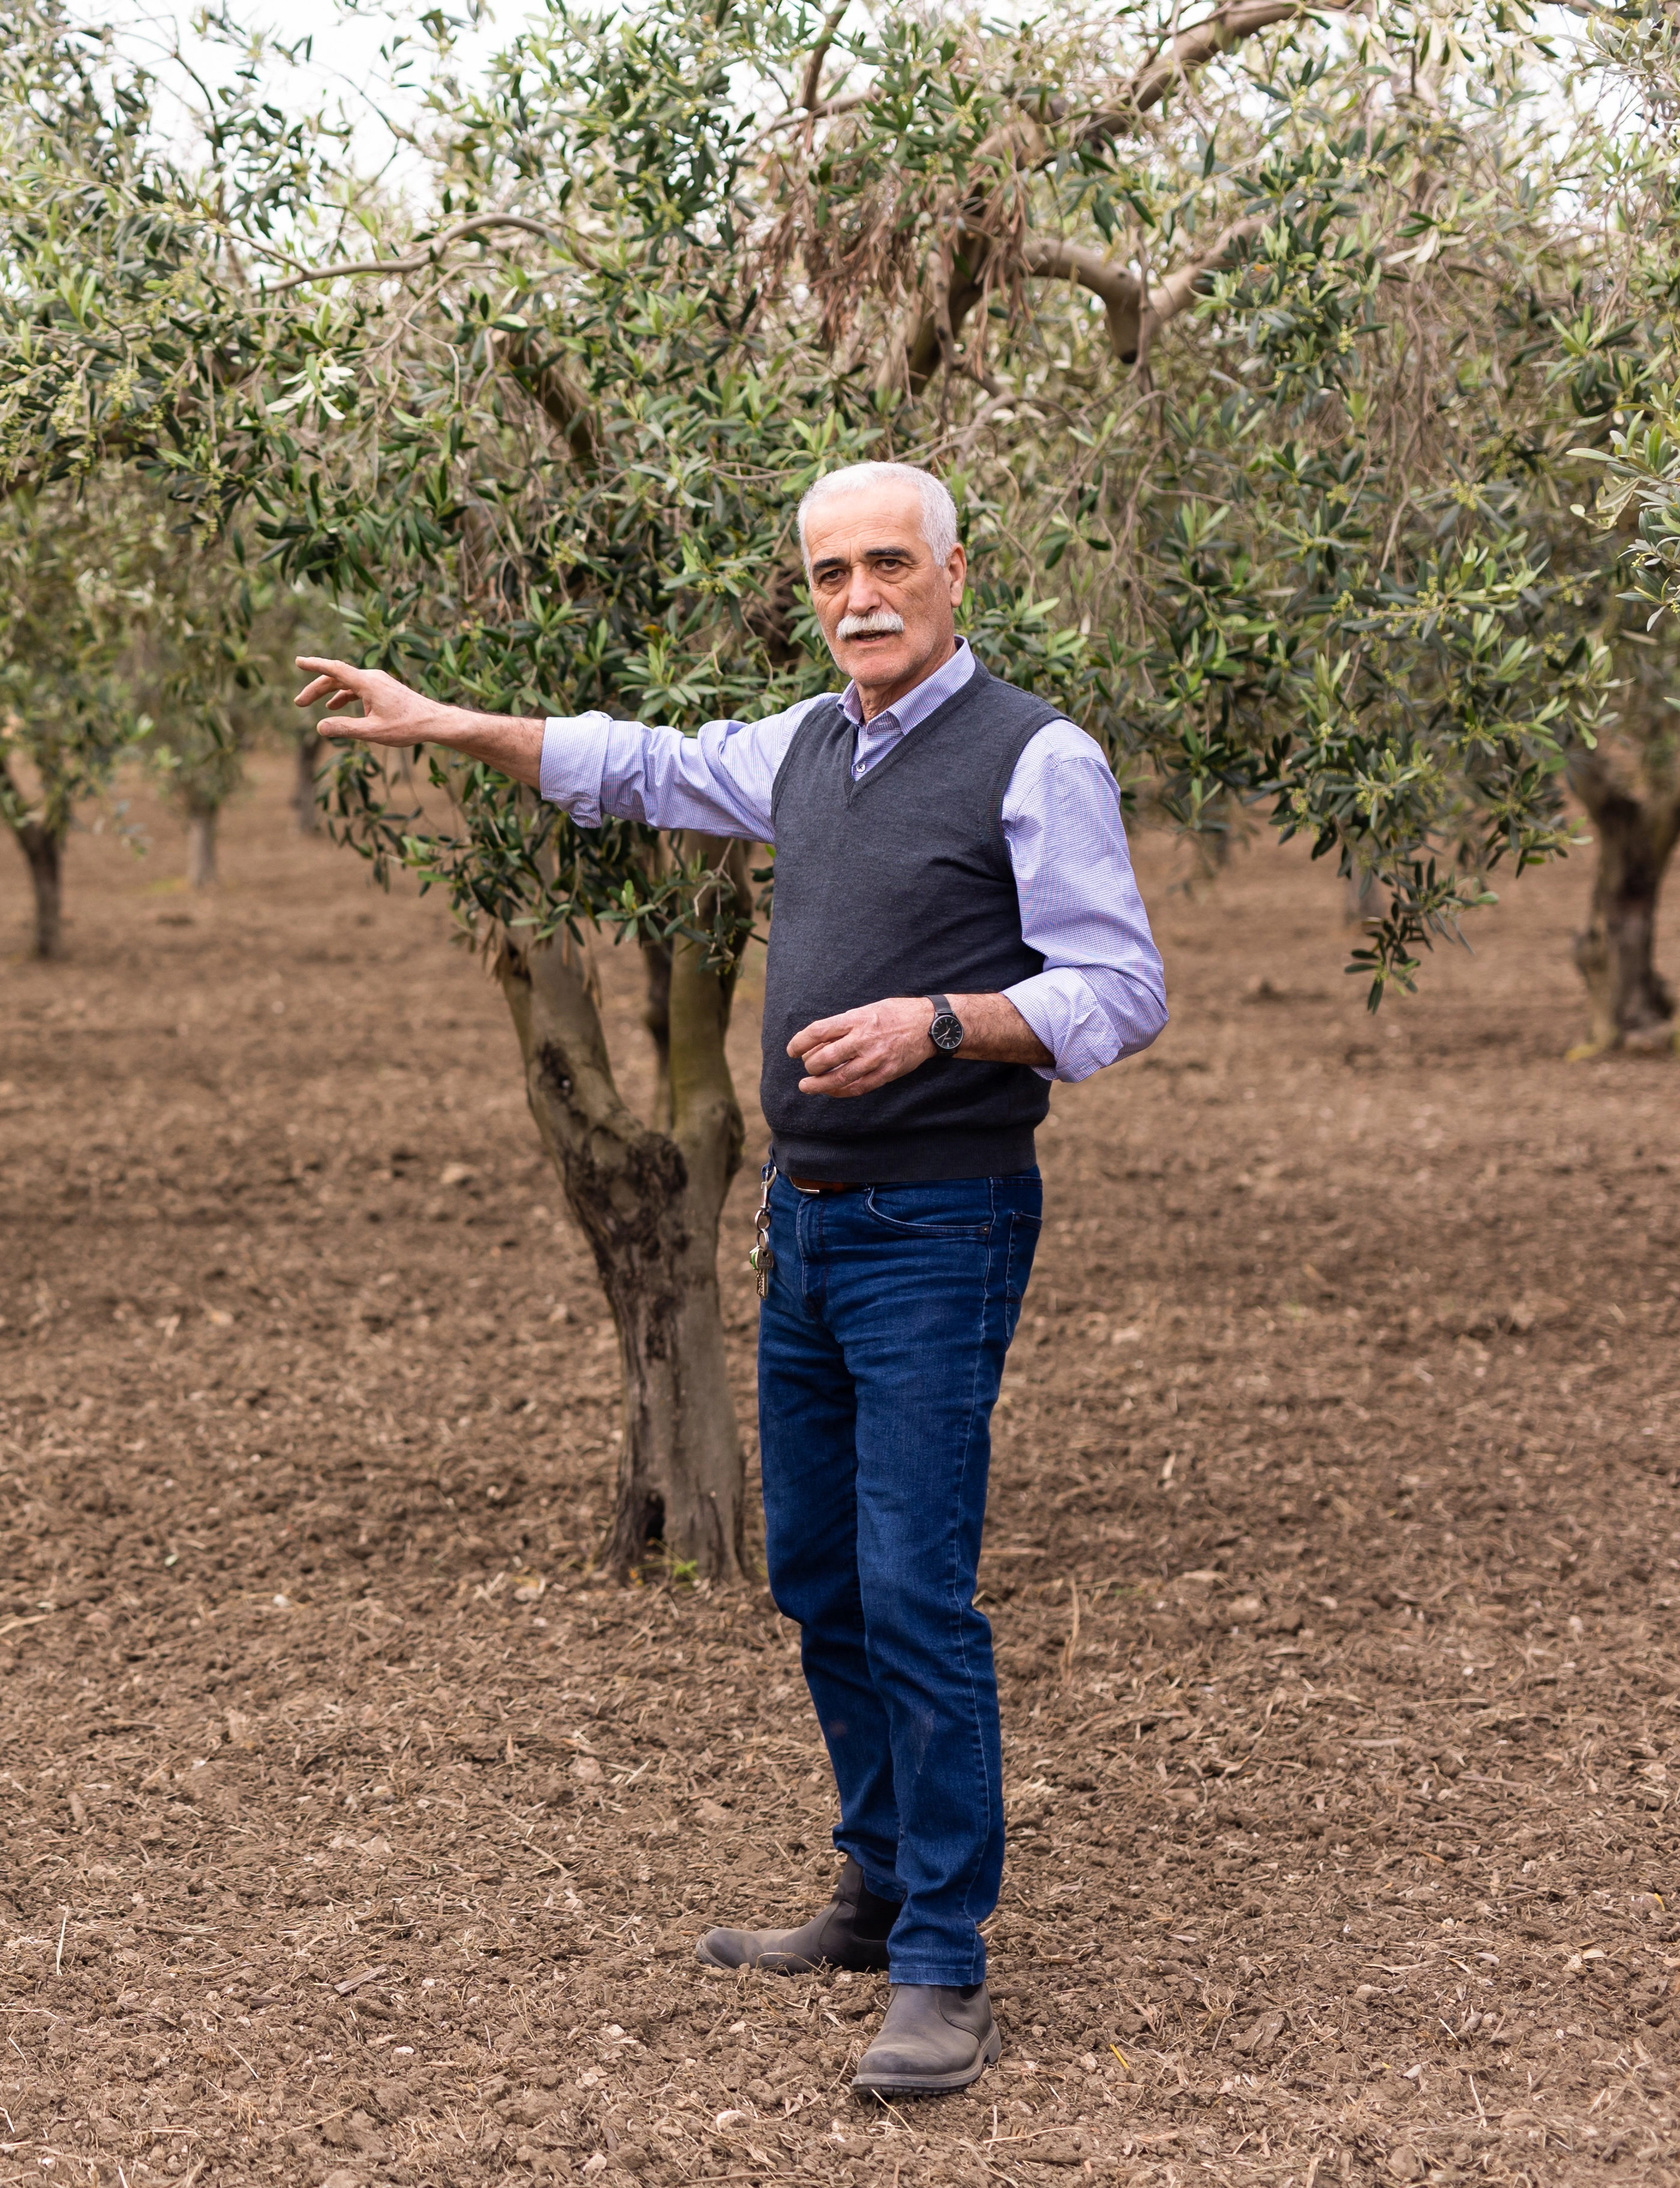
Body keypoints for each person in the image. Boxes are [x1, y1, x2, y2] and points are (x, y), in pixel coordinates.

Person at [292, 460, 1165, 2095]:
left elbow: (1120, 986)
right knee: (820, 1577)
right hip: (815, 1223)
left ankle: (943, 1964)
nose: (859, 597)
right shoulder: (810, 745)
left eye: (889, 563)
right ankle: (880, 1880)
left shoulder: (1035, 757)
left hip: (945, 1223)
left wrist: (943, 1021)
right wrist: (454, 724)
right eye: (830, 571)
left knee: (916, 1588)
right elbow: (642, 766)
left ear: (957, 571)